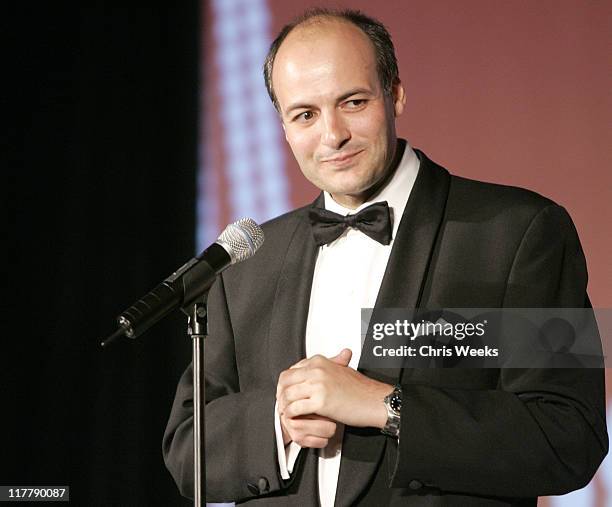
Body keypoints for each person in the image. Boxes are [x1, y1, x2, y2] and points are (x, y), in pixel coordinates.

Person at [163, 8, 607, 506]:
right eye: (305, 114)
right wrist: (278, 419)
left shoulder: (514, 232)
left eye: (352, 102)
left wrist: (387, 406)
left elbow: (568, 434)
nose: (333, 136)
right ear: (283, 126)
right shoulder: (246, 264)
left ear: (395, 93)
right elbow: (187, 449)